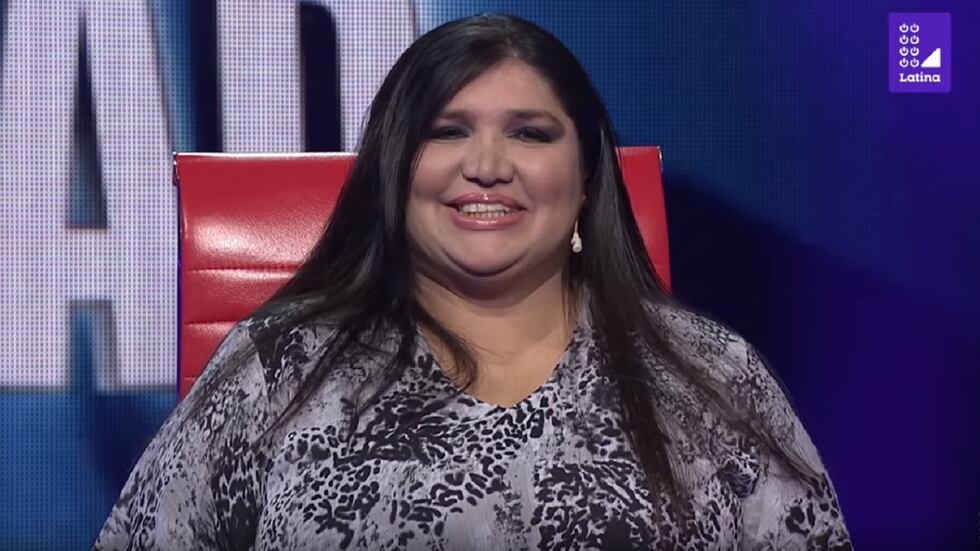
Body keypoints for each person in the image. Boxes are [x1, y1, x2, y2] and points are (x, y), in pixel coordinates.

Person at [94, 13, 851, 551]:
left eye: (529, 133)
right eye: (447, 131)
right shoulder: (279, 367)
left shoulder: (707, 374)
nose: (487, 165)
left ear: (587, 176)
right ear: (397, 168)